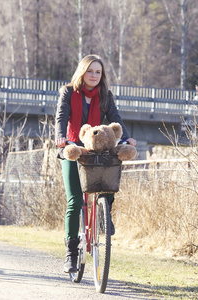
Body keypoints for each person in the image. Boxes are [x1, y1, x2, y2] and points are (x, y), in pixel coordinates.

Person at [55, 54, 136, 274]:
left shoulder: (105, 96)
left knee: (109, 183)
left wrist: (127, 138)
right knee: (74, 201)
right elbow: (61, 117)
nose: (93, 75)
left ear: (102, 75)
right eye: (90, 71)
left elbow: (115, 119)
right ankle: (71, 253)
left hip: (98, 150)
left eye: (98, 72)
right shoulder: (68, 92)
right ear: (82, 71)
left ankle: (104, 213)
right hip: (74, 147)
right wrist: (60, 137)